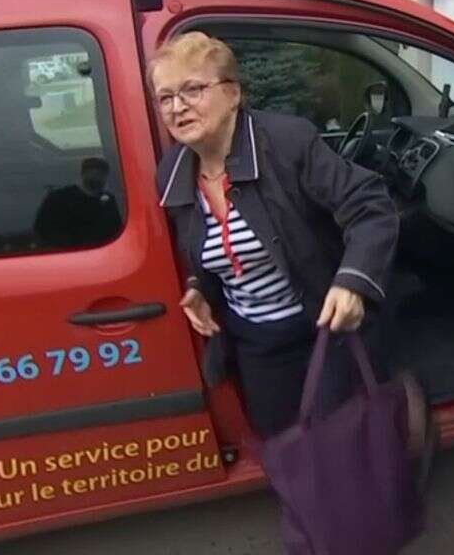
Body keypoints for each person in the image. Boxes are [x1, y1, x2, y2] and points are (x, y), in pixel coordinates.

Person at [149, 31, 399, 440]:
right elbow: (206, 245)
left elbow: (371, 205)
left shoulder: (286, 143)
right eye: (165, 97)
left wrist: (353, 281)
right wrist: (202, 285)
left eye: (192, 89)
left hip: (321, 327)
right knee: (288, 449)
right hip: (256, 342)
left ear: (233, 94)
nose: (177, 108)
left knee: (345, 444)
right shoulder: (172, 173)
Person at [33, 157, 122, 247]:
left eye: (102, 175)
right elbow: (42, 229)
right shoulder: (59, 198)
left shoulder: (110, 201)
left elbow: (117, 230)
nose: (98, 178)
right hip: (67, 253)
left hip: (105, 252)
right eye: (95, 173)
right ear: (83, 174)